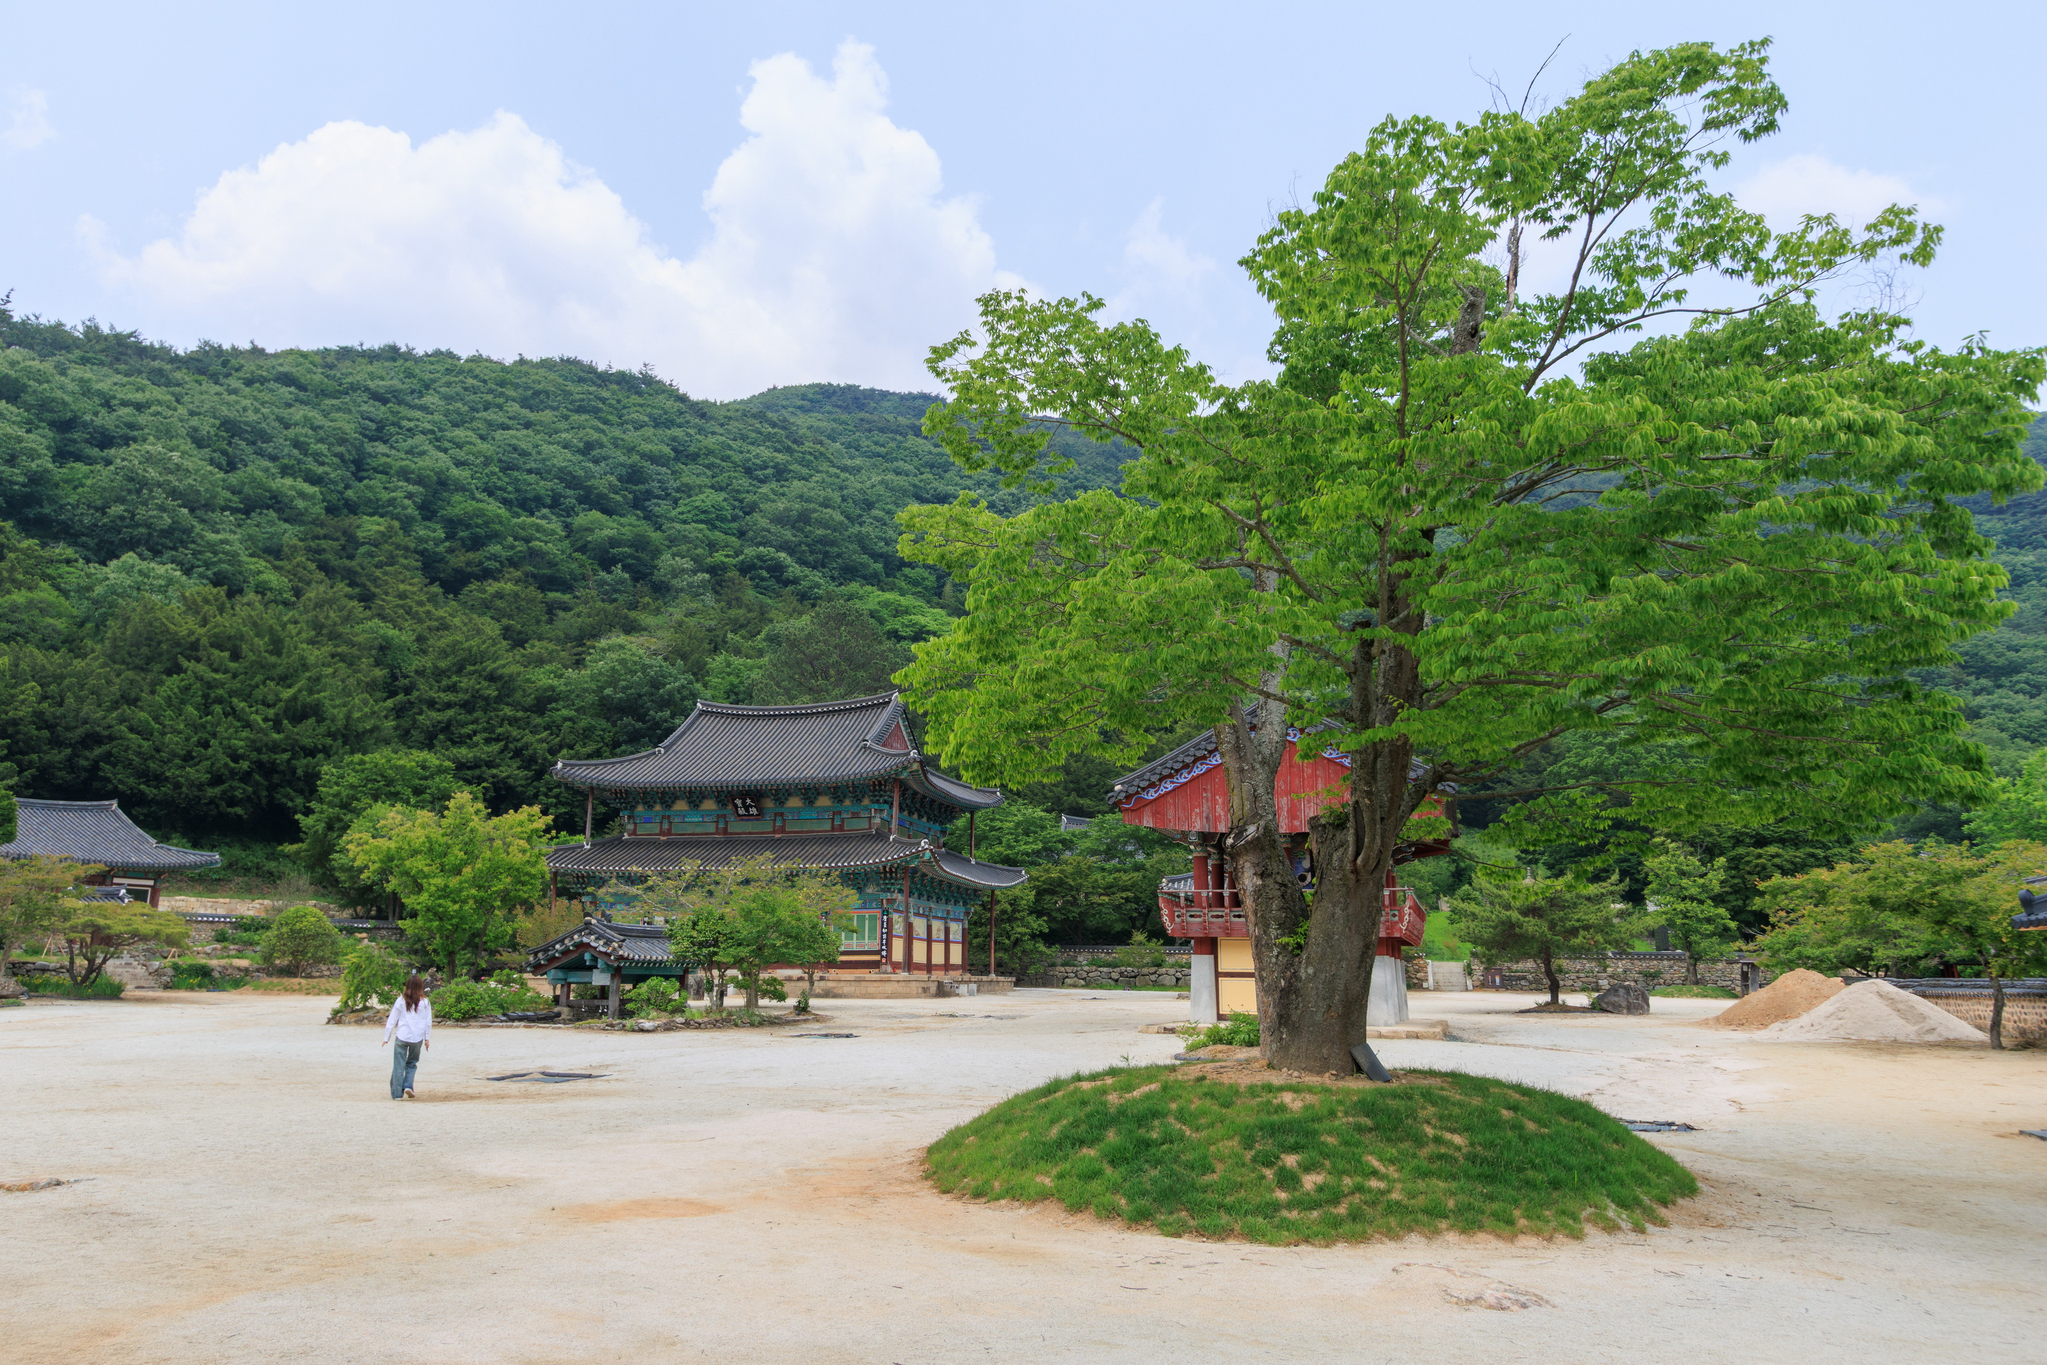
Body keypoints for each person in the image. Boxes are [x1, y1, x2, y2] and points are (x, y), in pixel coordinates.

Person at [381, 975, 432, 1099]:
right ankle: (408, 1085)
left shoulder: (401, 1000)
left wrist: (386, 1038)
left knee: (399, 1064)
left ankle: (397, 1094)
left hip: (402, 1036)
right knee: (412, 1063)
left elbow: (392, 1019)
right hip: (417, 1038)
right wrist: (427, 1038)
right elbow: (428, 1021)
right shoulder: (425, 1002)